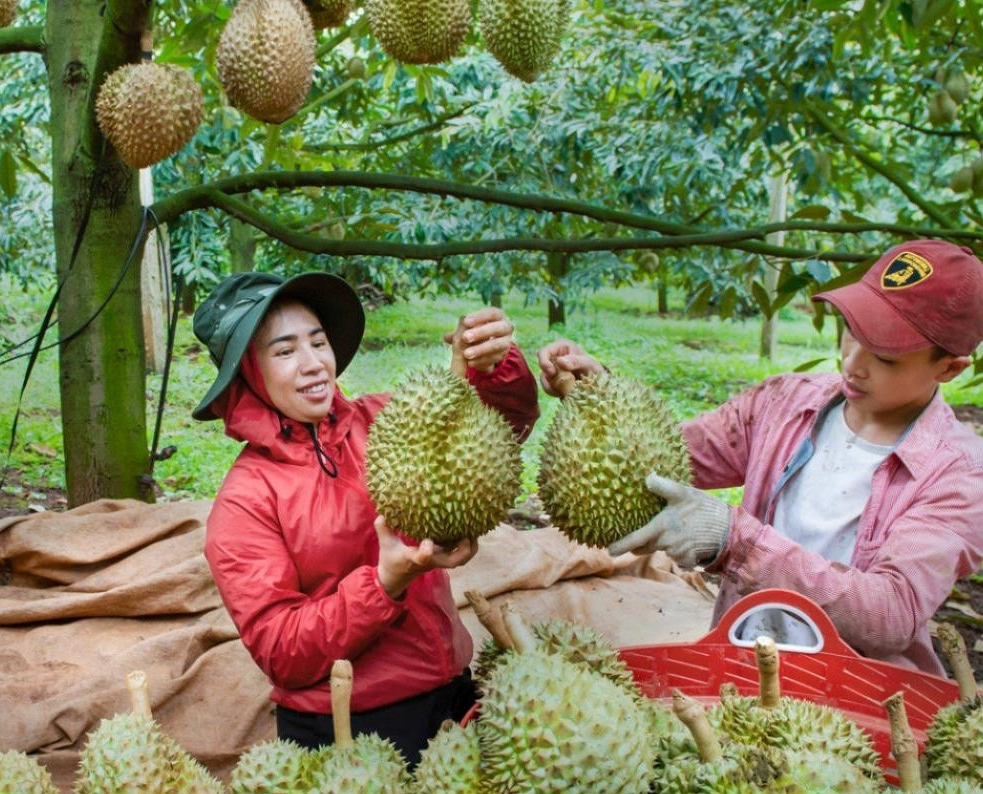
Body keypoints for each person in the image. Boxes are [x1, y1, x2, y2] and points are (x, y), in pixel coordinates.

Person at [538, 239, 983, 675]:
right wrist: (603, 394)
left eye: (885, 357)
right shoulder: (784, 401)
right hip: (740, 660)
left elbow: (890, 614)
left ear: (949, 368)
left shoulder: (961, 474)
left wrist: (734, 538)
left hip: (857, 694)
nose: (853, 363)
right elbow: (666, 458)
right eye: (852, 332)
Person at [195, 272, 540, 765]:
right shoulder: (245, 500)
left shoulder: (383, 421)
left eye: (318, 342)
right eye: (285, 351)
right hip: (349, 732)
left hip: (451, 695)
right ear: (250, 371)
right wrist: (384, 584)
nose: (314, 363)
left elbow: (494, 432)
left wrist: (490, 366)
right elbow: (281, 650)